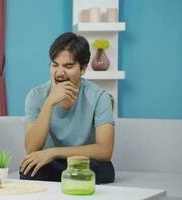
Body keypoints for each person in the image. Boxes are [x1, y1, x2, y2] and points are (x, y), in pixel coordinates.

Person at [19, 32, 115, 184]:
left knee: (105, 170)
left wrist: (54, 152)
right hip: (52, 164)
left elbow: (105, 151)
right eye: (54, 65)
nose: (59, 72)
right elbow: (31, 148)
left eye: (68, 66)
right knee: (29, 169)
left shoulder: (99, 97)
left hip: (83, 162)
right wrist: (49, 102)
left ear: (83, 69)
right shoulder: (36, 95)